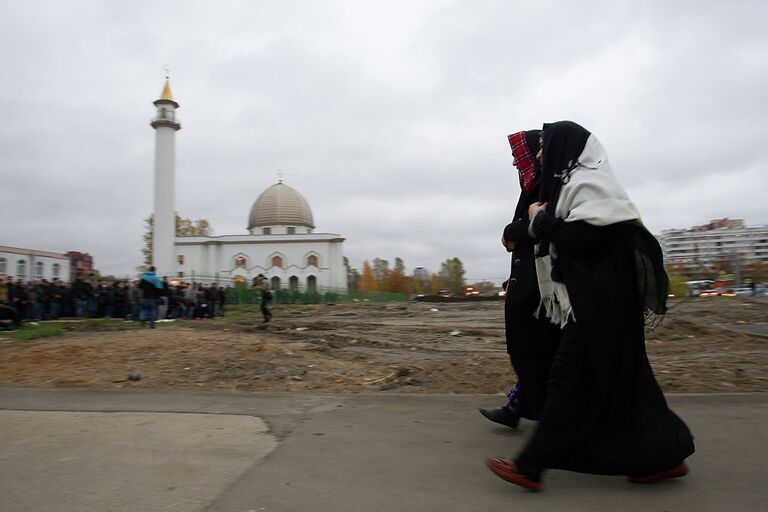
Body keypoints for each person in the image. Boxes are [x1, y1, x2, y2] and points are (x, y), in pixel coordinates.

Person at [486, 121, 694, 490]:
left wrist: (540, 221)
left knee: (567, 382)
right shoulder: (574, 185)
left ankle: (530, 467)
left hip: (601, 304)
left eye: (543, 149)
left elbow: (583, 237)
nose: (537, 156)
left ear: (566, 148)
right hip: (597, 301)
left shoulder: (591, 184)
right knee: (625, 385)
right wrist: (539, 221)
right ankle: (665, 455)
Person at [479, 130, 560, 428]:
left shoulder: (547, 185)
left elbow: (548, 224)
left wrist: (513, 231)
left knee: (534, 352)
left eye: (519, 156)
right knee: (533, 352)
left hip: (544, 286)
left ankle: (546, 418)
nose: (516, 163)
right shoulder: (532, 186)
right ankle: (521, 405)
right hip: (531, 279)